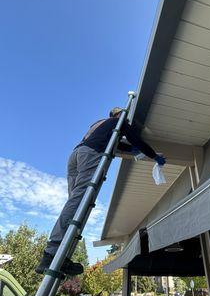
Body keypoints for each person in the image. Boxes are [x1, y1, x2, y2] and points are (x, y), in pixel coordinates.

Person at [36, 107, 166, 275]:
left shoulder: (100, 125)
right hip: (90, 154)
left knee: (74, 203)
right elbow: (136, 140)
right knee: (79, 201)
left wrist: (132, 150)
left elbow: (118, 145)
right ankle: (51, 253)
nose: (127, 120)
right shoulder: (119, 122)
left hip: (76, 155)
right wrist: (154, 156)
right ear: (119, 115)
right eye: (124, 116)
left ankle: (61, 254)